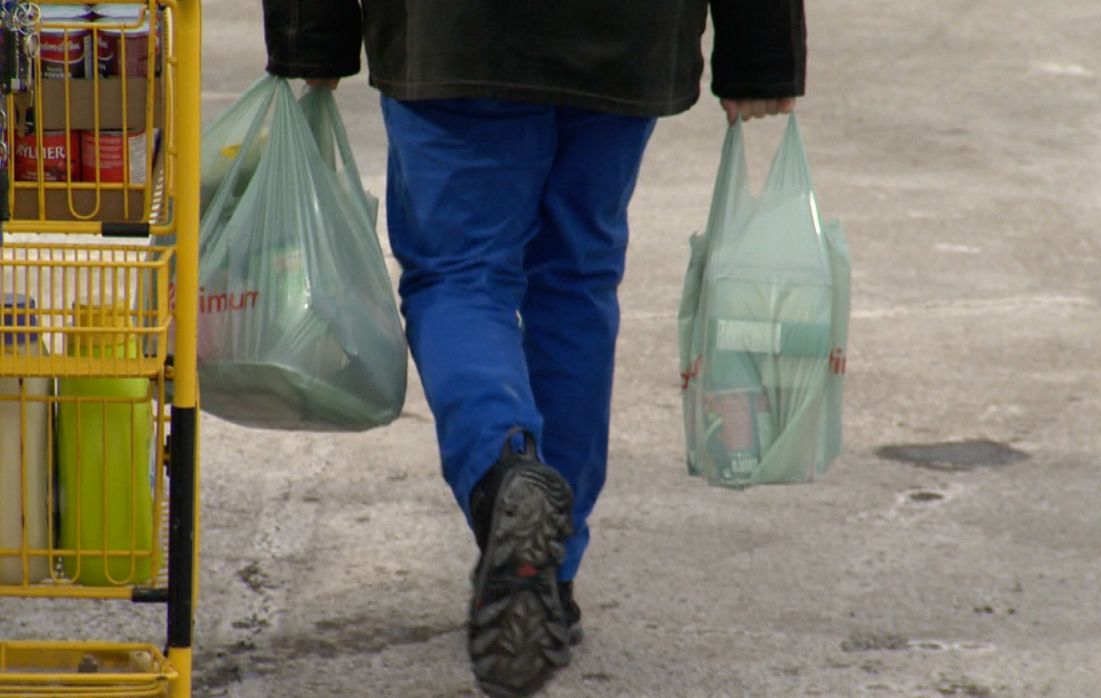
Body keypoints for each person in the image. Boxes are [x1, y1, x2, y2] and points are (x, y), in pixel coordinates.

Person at [261, 2, 806, 695]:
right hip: (627, 34)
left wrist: (310, 33)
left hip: (457, 34)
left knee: (461, 275)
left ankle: (504, 467)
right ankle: (554, 571)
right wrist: (763, 50)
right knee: (576, 278)